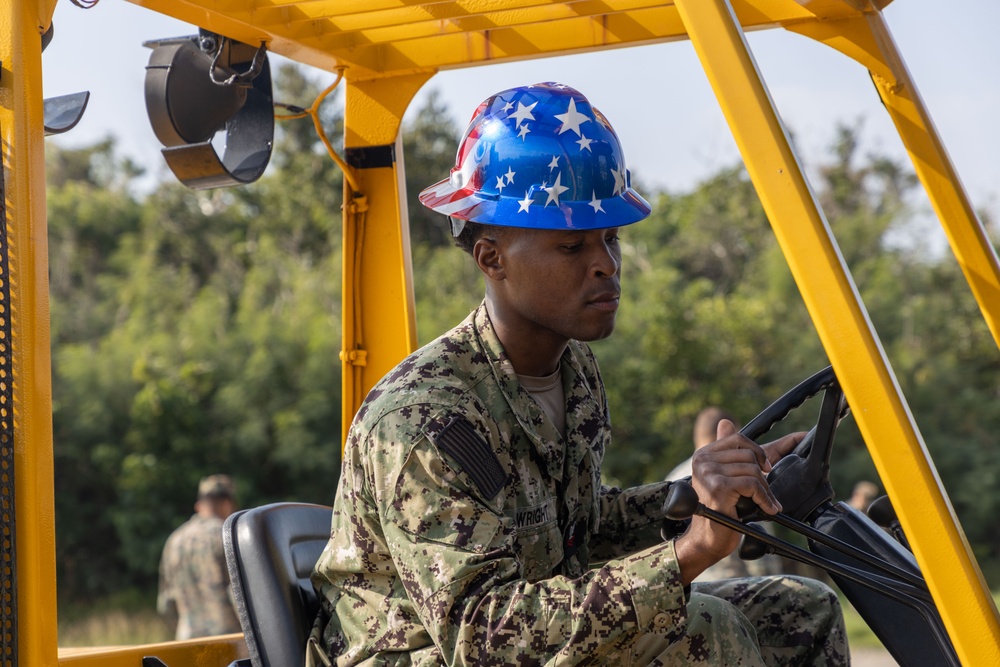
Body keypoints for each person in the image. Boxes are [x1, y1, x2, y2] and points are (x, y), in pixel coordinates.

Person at [309, 82, 847, 665]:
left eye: (610, 239)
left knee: (801, 608)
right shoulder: (426, 419)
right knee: (704, 628)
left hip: (517, 635)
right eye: (572, 246)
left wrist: (704, 497)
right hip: (431, 653)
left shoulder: (573, 372)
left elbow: (579, 530)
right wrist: (687, 555)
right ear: (492, 258)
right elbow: (480, 635)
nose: (607, 266)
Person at [667, 406, 785, 582]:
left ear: (697, 436)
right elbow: (760, 540)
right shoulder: (737, 475)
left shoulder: (672, 482)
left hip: (691, 590)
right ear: (730, 435)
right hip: (739, 588)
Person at [157, 474, 242, 640]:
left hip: (188, 641)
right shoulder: (228, 535)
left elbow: (166, 604)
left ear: (199, 505)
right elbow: (239, 594)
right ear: (227, 504)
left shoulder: (174, 540)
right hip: (230, 641)